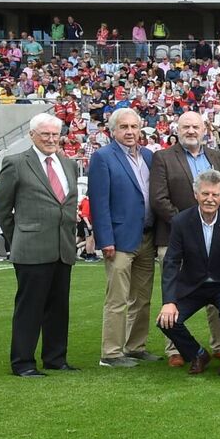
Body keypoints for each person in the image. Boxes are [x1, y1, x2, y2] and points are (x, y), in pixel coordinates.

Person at [0, 113, 79, 377]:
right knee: (29, 308)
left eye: (55, 134)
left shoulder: (69, 165)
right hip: (31, 249)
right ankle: (23, 362)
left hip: (62, 248)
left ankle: (55, 358)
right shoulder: (16, 163)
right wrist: (18, 236)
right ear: (32, 135)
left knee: (58, 307)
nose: (51, 139)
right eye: (45, 134)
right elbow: (1, 206)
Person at [150, 111, 220, 367]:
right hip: (174, 236)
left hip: (213, 239)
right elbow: (159, 199)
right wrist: (189, 225)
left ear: (205, 129)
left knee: (217, 295)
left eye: (195, 126)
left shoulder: (217, 157)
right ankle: (177, 350)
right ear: (177, 129)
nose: (191, 131)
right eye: (186, 127)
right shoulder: (163, 157)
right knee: (173, 291)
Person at [88, 108, 158, 368]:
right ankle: (111, 353)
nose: (130, 132)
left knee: (142, 297)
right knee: (117, 298)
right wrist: (105, 238)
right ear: (113, 130)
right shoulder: (103, 158)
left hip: (147, 237)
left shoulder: (149, 156)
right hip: (118, 240)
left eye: (134, 127)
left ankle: (135, 346)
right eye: (124, 127)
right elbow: (99, 202)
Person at [156, 170, 220, 376]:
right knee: (166, 321)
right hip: (193, 285)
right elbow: (171, 261)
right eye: (205, 194)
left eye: (215, 195)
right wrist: (169, 301)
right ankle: (197, 353)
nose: (209, 199)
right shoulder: (181, 221)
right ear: (196, 194)